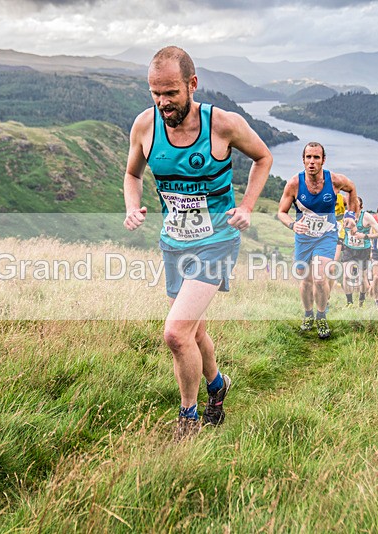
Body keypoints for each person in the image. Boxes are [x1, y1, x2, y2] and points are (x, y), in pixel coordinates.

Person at [123, 46, 272, 441]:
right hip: (175, 243)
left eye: (170, 92)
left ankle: (188, 418)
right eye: (155, 92)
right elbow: (132, 174)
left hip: (217, 241)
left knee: (175, 333)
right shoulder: (145, 125)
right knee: (195, 331)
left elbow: (263, 158)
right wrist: (133, 206)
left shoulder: (223, 124)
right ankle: (218, 385)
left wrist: (248, 206)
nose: (162, 102)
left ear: (192, 84)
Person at [277, 142, 358, 339]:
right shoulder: (295, 183)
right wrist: (292, 225)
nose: (312, 162)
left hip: (327, 235)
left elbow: (352, 189)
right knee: (306, 280)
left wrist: (350, 215)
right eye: (308, 157)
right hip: (303, 238)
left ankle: (321, 317)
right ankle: (308, 314)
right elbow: (281, 212)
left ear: (323, 160)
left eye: (316, 157)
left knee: (321, 279)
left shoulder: (335, 180)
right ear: (303, 160)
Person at [341, 196, 378, 308]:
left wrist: (365, 236)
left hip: (363, 251)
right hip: (349, 249)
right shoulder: (345, 214)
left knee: (362, 277)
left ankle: (362, 300)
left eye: (356, 204)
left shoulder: (367, 217)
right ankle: (349, 302)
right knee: (346, 276)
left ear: (361, 206)